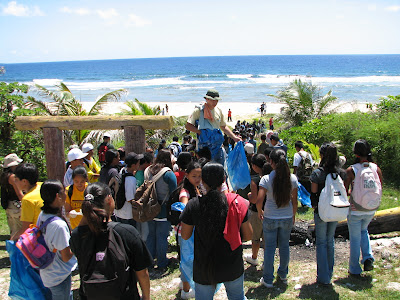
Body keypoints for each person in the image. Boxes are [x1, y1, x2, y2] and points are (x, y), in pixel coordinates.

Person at [180, 163, 252, 299]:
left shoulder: (193, 205)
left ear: (203, 181)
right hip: (232, 263)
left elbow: (185, 235)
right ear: (223, 180)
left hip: (204, 265)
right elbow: (248, 235)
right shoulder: (237, 203)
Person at [70, 182, 152, 300]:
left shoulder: (78, 236)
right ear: (109, 199)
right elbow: (142, 273)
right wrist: (146, 297)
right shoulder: (127, 232)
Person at [256, 149, 298, 288]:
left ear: (271, 162)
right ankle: (283, 274)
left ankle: (268, 279)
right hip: (286, 216)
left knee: (270, 248)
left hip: (270, 217)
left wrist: (259, 211)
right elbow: (295, 200)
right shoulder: (292, 178)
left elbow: (259, 199)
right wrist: (293, 214)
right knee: (284, 246)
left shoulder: (266, 179)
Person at [344, 139, 383, 276]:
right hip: (371, 208)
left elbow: (345, 189)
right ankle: (367, 257)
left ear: (356, 153)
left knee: (354, 238)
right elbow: (380, 187)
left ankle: (354, 268)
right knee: (363, 231)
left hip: (356, 209)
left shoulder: (352, 170)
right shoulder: (375, 168)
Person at [310, 142, 346, 286]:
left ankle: (323, 276)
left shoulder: (317, 173)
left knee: (321, 242)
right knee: (330, 241)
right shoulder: (341, 173)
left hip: (321, 211)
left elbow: (313, 194)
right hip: (335, 209)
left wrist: (314, 206)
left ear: (322, 155)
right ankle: (329, 273)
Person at [37, 180, 77, 300]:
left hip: (47, 272)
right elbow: (66, 256)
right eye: (63, 191)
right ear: (57, 196)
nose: (66, 193)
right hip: (59, 275)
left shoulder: (42, 215)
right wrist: (78, 243)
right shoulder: (58, 225)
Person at [185, 89, 240, 165]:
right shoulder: (199, 110)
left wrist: (234, 137)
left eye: (217, 100)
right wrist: (201, 132)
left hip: (218, 147)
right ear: (207, 99)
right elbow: (188, 125)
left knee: (219, 169)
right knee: (206, 169)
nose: (215, 102)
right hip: (204, 148)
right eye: (213, 100)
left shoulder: (218, 110)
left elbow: (223, 126)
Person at [145, 149, 177, 269]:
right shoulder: (168, 173)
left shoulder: (148, 170)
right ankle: (162, 262)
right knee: (162, 236)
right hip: (163, 209)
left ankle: (149, 261)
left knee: (151, 235)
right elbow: (174, 193)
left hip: (149, 208)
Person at [176, 161, 202, 299]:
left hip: (190, 232)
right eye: (194, 176)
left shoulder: (196, 188)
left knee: (188, 260)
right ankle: (186, 291)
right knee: (187, 261)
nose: (197, 179)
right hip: (186, 233)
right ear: (186, 175)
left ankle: (184, 285)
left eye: (199, 176)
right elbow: (184, 210)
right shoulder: (185, 191)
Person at [245, 154, 272, 266]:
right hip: (270, 211)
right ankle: (267, 261)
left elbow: (255, 199)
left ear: (255, 166)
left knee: (255, 237)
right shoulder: (271, 177)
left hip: (257, 212)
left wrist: (249, 195)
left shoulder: (255, 180)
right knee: (267, 239)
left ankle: (254, 257)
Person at [11, 163, 43, 241]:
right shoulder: (42, 187)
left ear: (24, 181)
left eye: (16, 180)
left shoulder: (27, 199)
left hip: (38, 238)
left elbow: (26, 227)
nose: (15, 182)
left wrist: (13, 238)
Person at [114, 152, 143, 227]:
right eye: (138, 163)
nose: (139, 165)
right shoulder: (131, 179)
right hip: (127, 214)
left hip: (118, 211)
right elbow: (130, 198)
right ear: (133, 165)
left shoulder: (122, 171)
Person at [1, 153, 24, 237]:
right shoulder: (13, 177)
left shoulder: (4, 176)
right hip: (16, 207)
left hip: (9, 205)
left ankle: (13, 249)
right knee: (20, 231)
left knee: (13, 230)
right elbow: (19, 193)